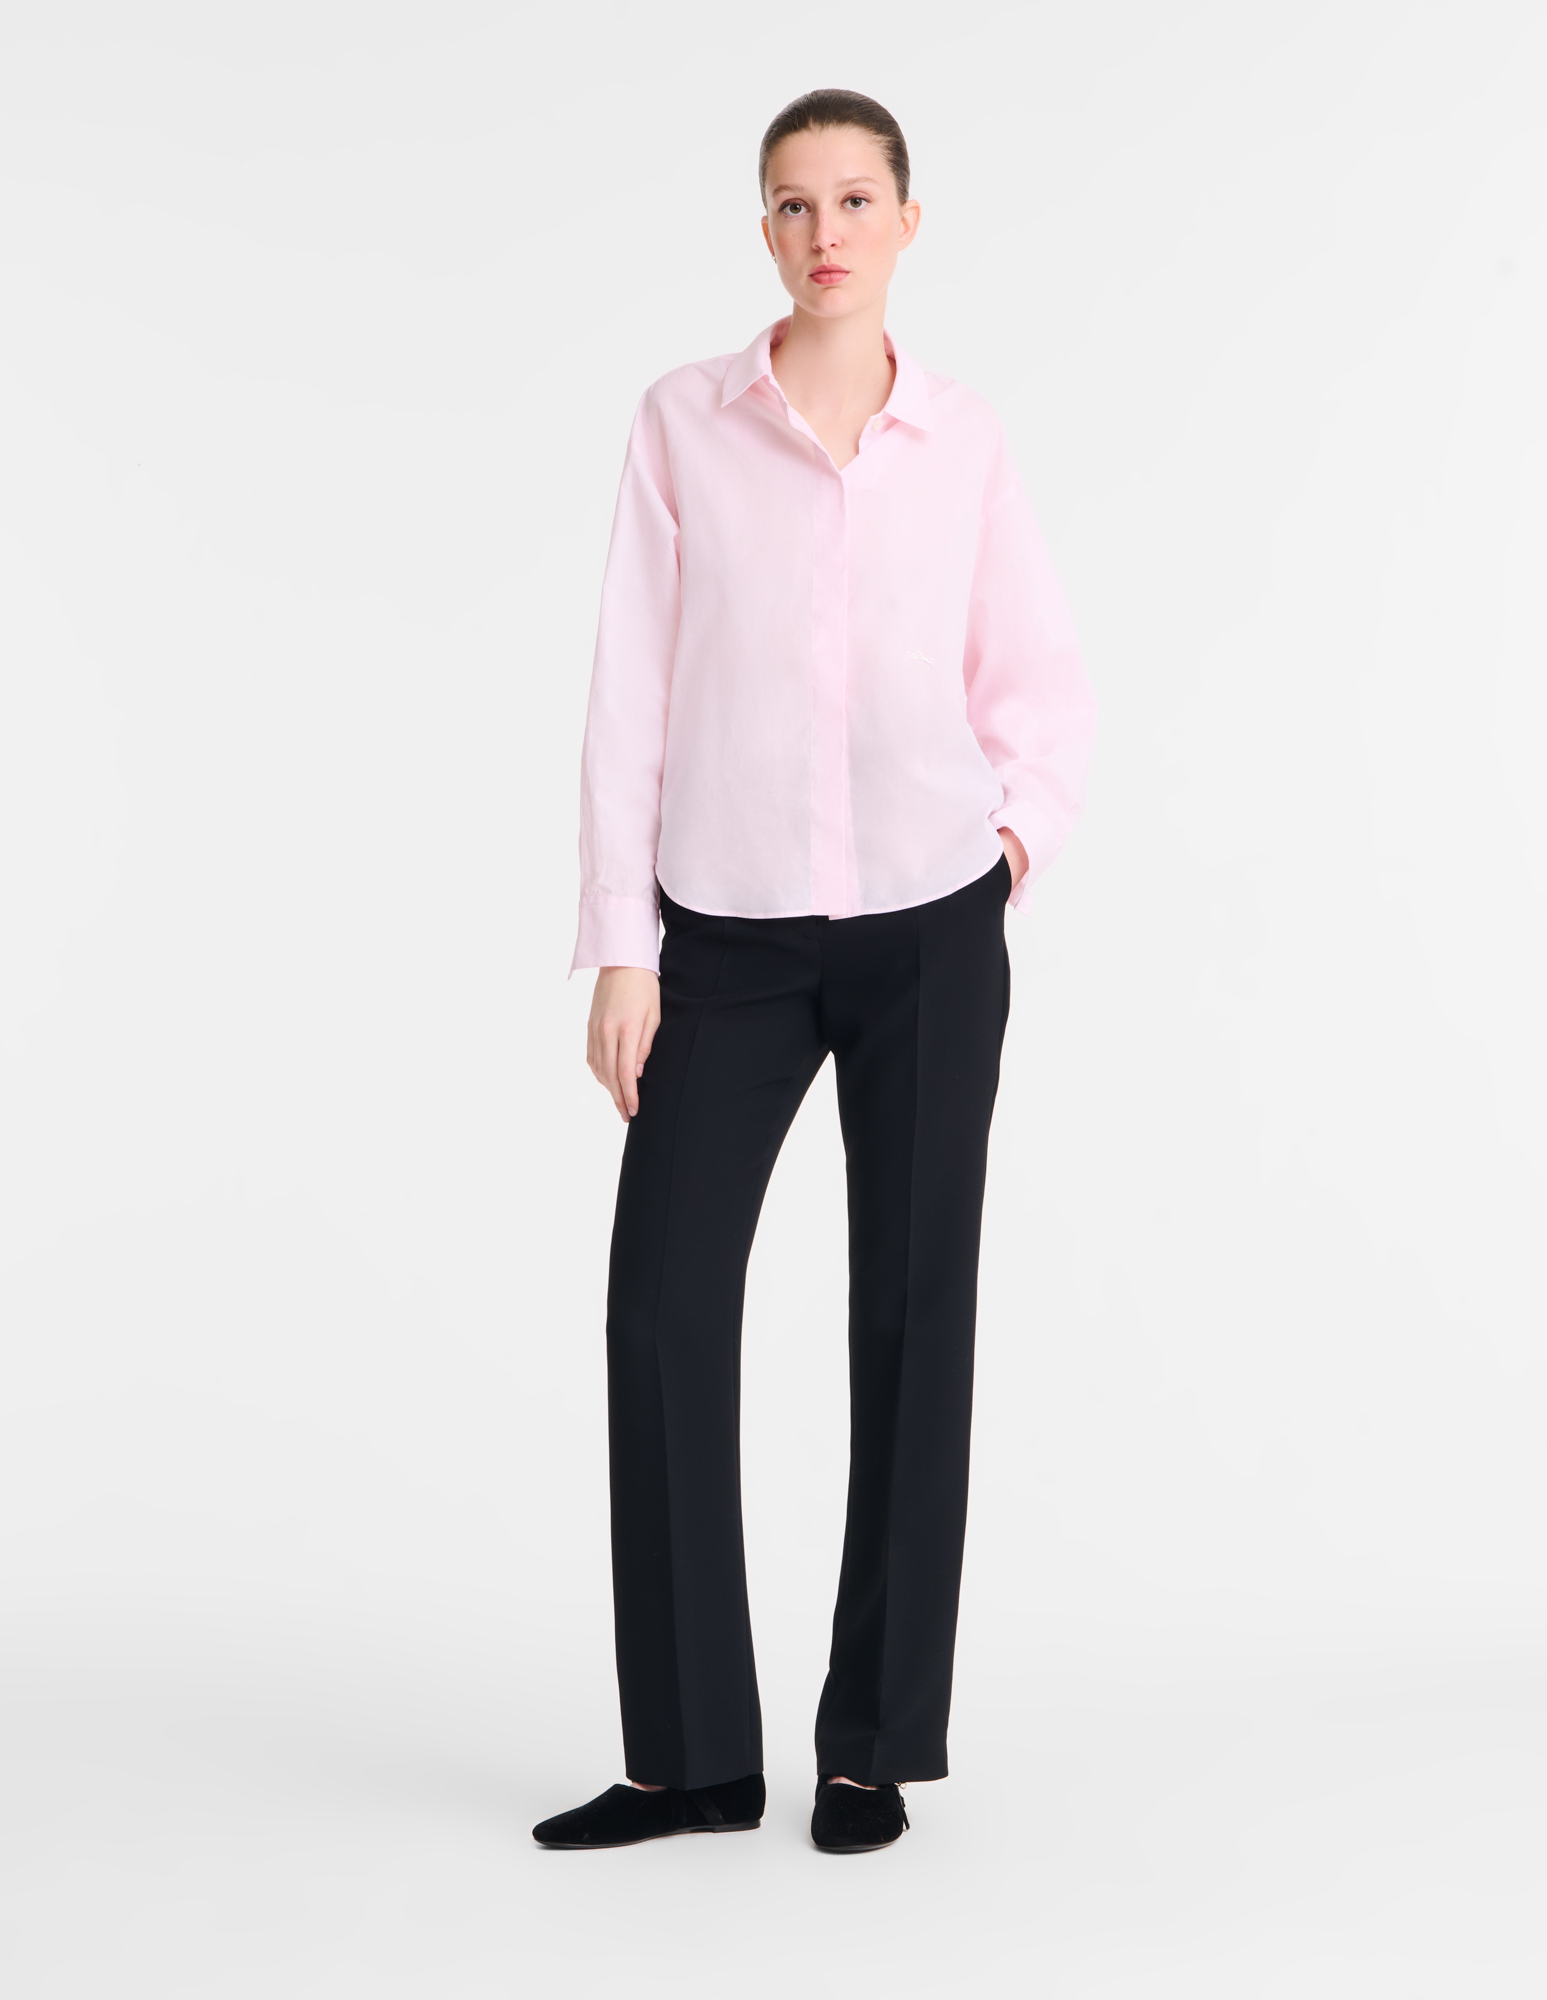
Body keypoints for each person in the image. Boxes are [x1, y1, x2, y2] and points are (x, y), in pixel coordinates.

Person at [532, 88, 1096, 1856]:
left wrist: (1010, 852)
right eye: (792, 203)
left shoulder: (966, 440)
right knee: (661, 1310)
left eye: (855, 199)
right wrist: (622, 946)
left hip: (930, 923)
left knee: (913, 1321)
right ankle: (692, 1757)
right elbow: (630, 690)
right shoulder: (683, 425)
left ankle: (872, 1749)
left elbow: (1039, 678)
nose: (824, 231)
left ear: (908, 221)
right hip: (729, 932)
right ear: (763, 230)